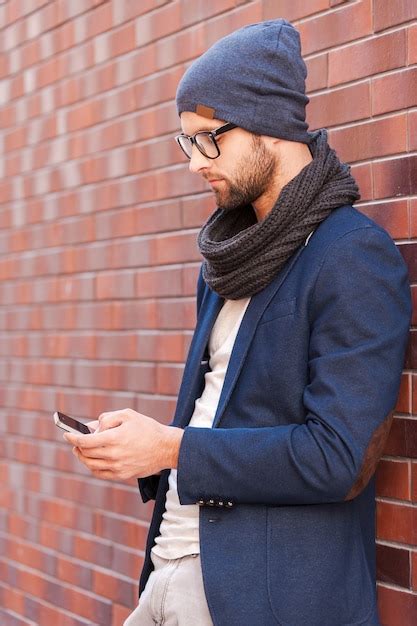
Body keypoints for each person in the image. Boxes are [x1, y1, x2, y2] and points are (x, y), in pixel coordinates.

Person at [64, 19, 412, 626]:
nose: (196, 163)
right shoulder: (227, 258)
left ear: (269, 126)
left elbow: (337, 457)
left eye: (208, 139)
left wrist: (170, 447)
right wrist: (140, 450)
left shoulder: (350, 256)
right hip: (168, 573)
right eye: (186, 144)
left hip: (257, 597)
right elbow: (220, 414)